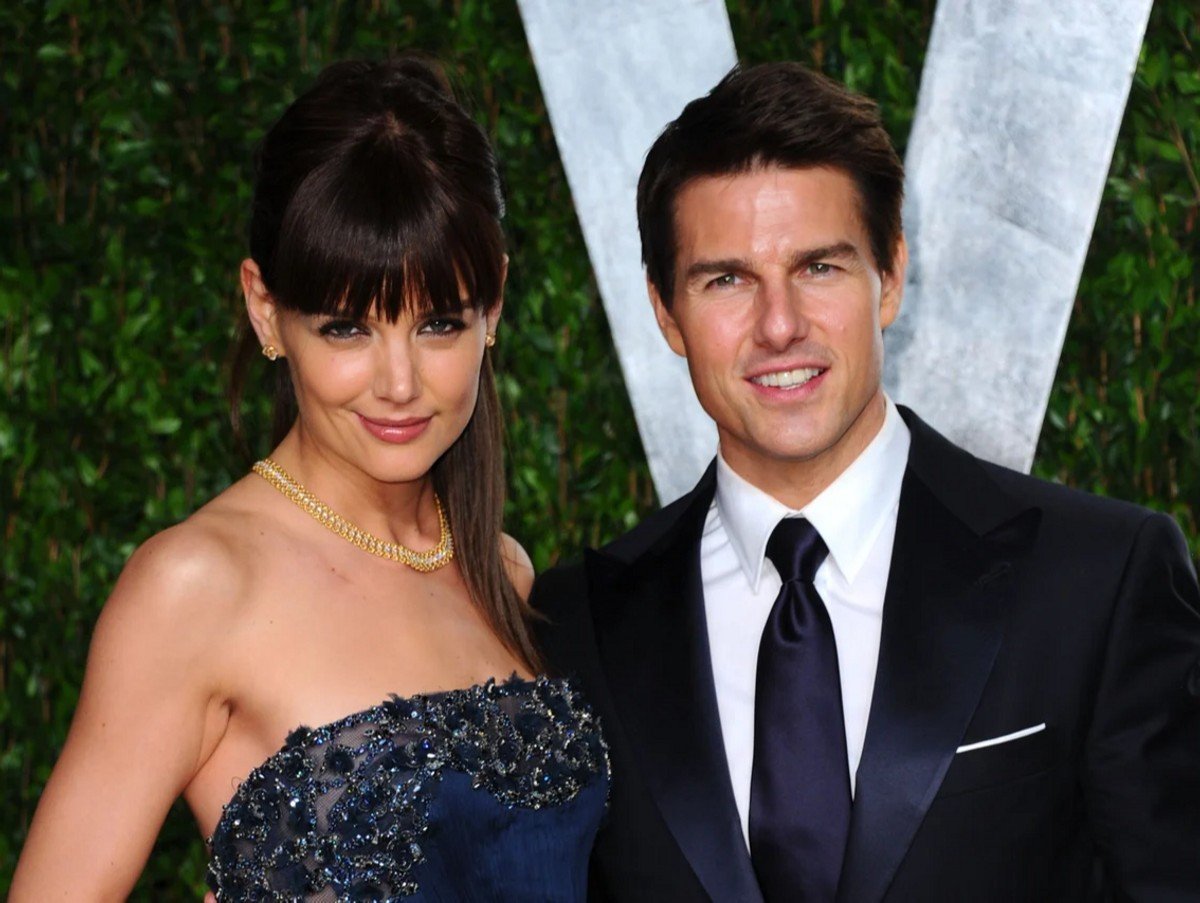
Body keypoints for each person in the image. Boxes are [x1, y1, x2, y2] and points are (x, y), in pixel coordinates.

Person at [532, 62, 1200, 902]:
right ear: (666, 311)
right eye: (727, 279)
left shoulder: (1099, 579)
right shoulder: (575, 631)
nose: (779, 325)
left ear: (889, 275)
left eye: (819, 267)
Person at [11, 58, 607, 902]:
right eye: (346, 327)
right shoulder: (195, 587)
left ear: (495, 305)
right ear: (265, 310)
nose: (399, 382)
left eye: (439, 322)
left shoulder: (499, 569)